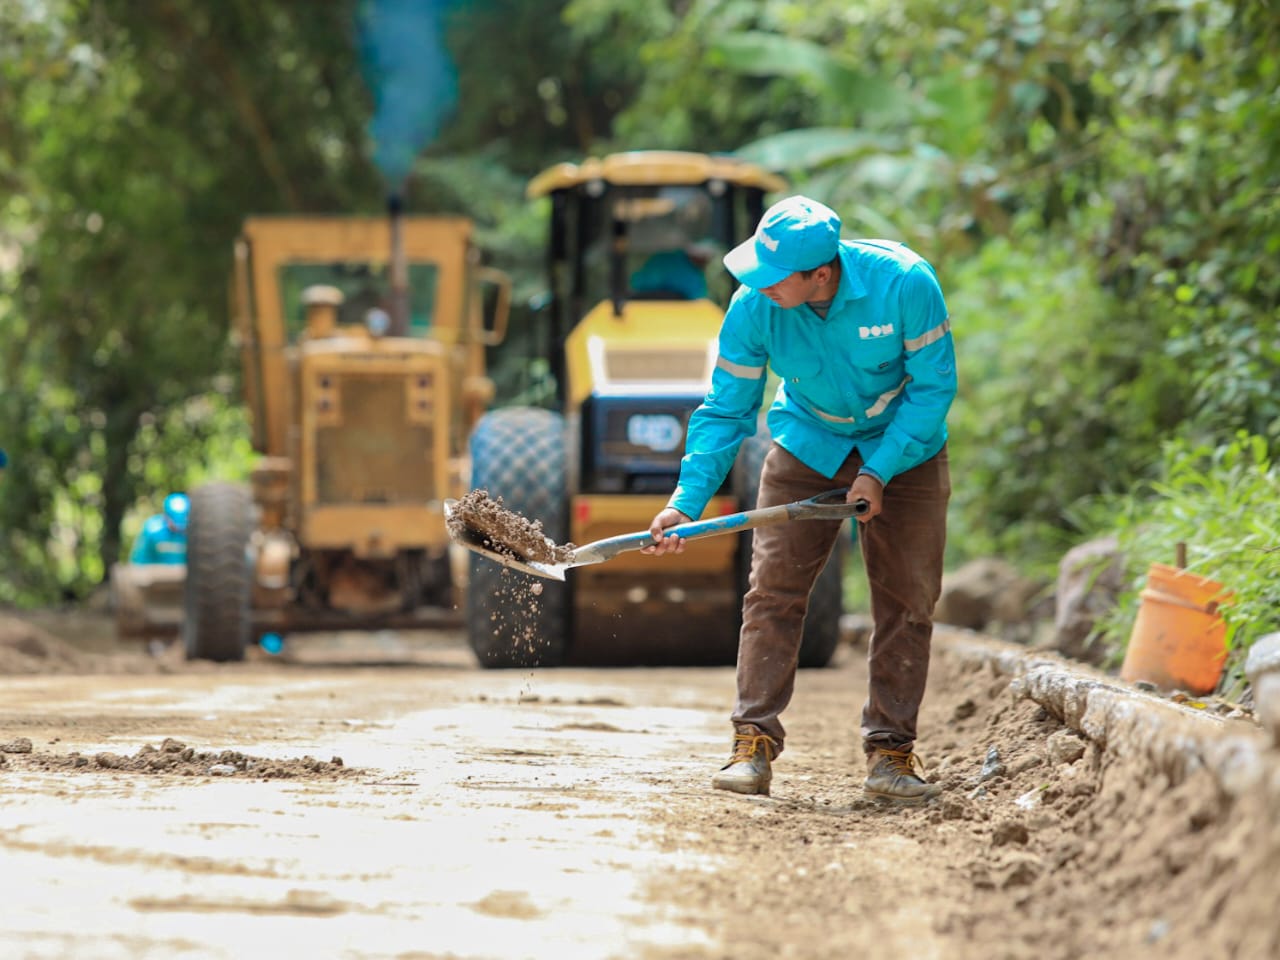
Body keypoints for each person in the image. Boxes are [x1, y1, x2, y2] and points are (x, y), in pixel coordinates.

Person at [643, 195, 956, 804]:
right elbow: (727, 409)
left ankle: (891, 753)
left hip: (907, 450)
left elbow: (933, 389)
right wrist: (687, 501)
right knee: (773, 592)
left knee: (908, 601)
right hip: (808, 443)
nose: (757, 286)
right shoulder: (754, 307)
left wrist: (880, 471)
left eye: (773, 276)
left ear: (822, 273)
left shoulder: (906, 284)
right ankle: (752, 742)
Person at [130, 492, 190, 565]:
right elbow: (139, 560)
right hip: (155, 575)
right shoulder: (152, 530)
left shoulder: (195, 533)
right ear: (166, 516)